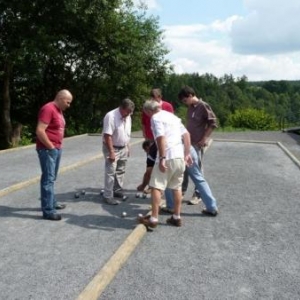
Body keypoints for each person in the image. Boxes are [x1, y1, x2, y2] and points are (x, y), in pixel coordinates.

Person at [137, 100, 192, 228]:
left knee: (156, 186)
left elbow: (161, 138)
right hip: (179, 156)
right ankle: (176, 217)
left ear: (149, 111)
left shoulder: (155, 118)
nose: (147, 116)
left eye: (146, 113)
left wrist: (162, 157)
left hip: (167, 156)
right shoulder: (173, 117)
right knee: (176, 187)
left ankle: (153, 219)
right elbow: (187, 135)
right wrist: (187, 153)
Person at [36, 89, 73, 221]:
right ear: (61, 98)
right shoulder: (48, 108)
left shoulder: (58, 110)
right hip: (47, 149)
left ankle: (52, 202)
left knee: (51, 177)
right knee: (48, 179)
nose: (68, 105)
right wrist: (51, 147)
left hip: (56, 148)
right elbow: (40, 130)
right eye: (68, 102)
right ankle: (48, 211)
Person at [178, 85, 218, 205]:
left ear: (190, 95)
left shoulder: (203, 106)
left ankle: (198, 194)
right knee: (184, 167)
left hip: (197, 143)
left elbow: (213, 123)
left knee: (197, 169)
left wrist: (205, 138)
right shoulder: (190, 107)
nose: (185, 103)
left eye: (185, 100)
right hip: (188, 142)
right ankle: (182, 191)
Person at [162, 146, 219, 216]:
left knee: (169, 178)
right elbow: (187, 137)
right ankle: (212, 207)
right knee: (198, 179)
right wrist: (187, 152)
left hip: (173, 152)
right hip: (189, 149)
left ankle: (171, 206)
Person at [102, 98, 135, 205]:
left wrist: (127, 145)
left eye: (131, 112)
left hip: (123, 146)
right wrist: (111, 151)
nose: (129, 114)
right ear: (121, 108)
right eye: (127, 111)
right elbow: (108, 136)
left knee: (121, 170)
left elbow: (127, 132)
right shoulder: (111, 116)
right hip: (112, 147)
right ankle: (108, 196)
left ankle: (117, 190)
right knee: (111, 171)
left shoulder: (128, 115)